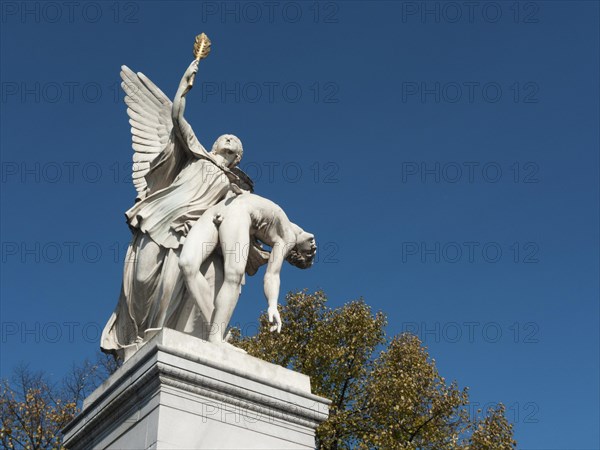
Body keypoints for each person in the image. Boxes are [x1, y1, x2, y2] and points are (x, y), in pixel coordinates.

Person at [101, 60, 248, 359]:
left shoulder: (234, 187)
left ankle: (158, 337)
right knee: (141, 280)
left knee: (171, 290)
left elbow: (238, 218)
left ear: (236, 158)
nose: (229, 137)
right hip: (158, 217)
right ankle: (135, 337)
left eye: (235, 141)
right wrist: (184, 84)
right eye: (226, 136)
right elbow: (176, 115)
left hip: (187, 234)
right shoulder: (195, 153)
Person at [178, 192, 317, 345]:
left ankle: (216, 336)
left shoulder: (288, 238)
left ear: (297, 252)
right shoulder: (288, 226)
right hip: (219, 209)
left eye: (310, 252)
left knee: (234, 275)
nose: (314, 245)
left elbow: (272, 275)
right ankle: (217, 330)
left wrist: (272, 305)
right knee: (187, 265)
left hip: (239, 214)